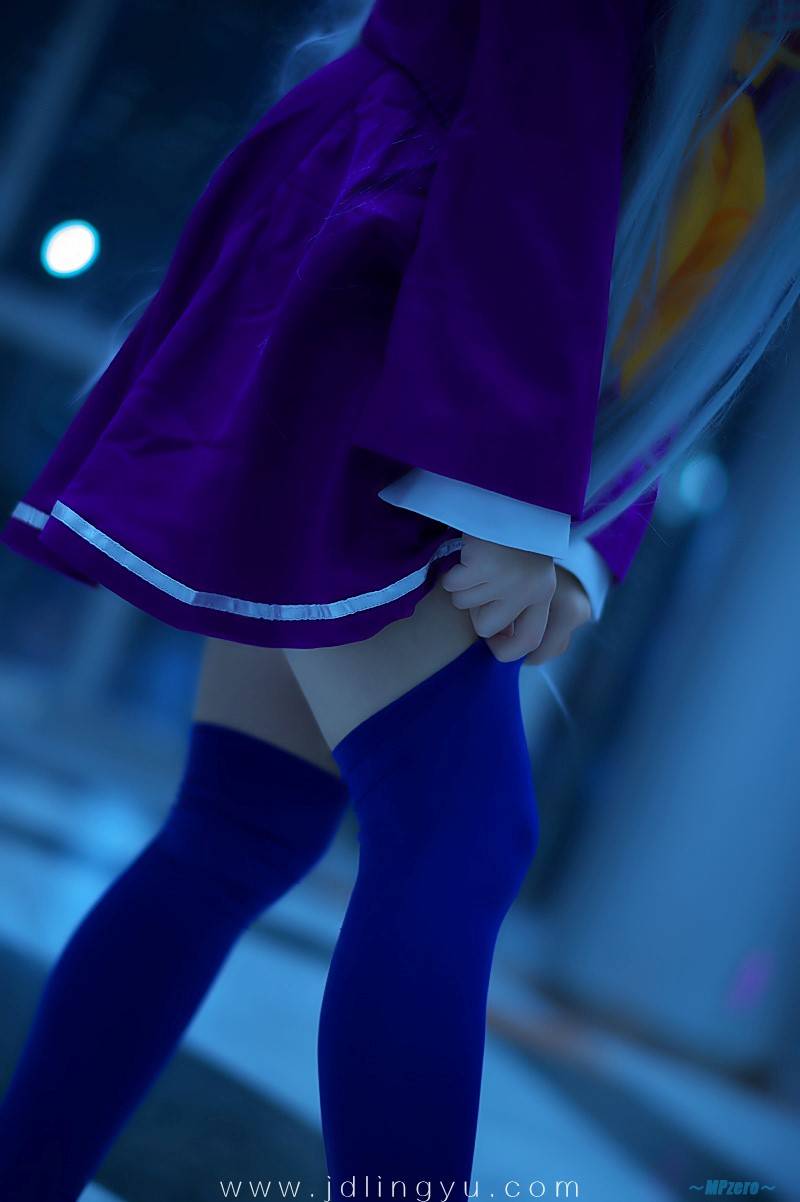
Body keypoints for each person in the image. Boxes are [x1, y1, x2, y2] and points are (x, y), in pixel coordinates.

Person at [0, 0, 798, 1195]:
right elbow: (540, 143)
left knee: (245, 822)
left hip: (415, 273)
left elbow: (672, 274)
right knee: (454, 835)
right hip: (399, 267)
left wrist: (577, 524)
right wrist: (515, 500)